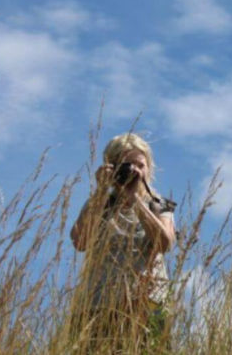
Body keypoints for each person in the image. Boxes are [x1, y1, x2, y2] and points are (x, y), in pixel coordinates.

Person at [69, 133, 177, 353]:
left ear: (149, 168)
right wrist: (101, 191)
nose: (135, 171)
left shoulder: (159, 204)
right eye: (128, 165)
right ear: (112, 166)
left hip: (147, 304)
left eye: (141, 165)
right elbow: (80, 241)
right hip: (97, 305)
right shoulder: (100, 203)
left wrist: (134, 200)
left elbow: (164, 243)